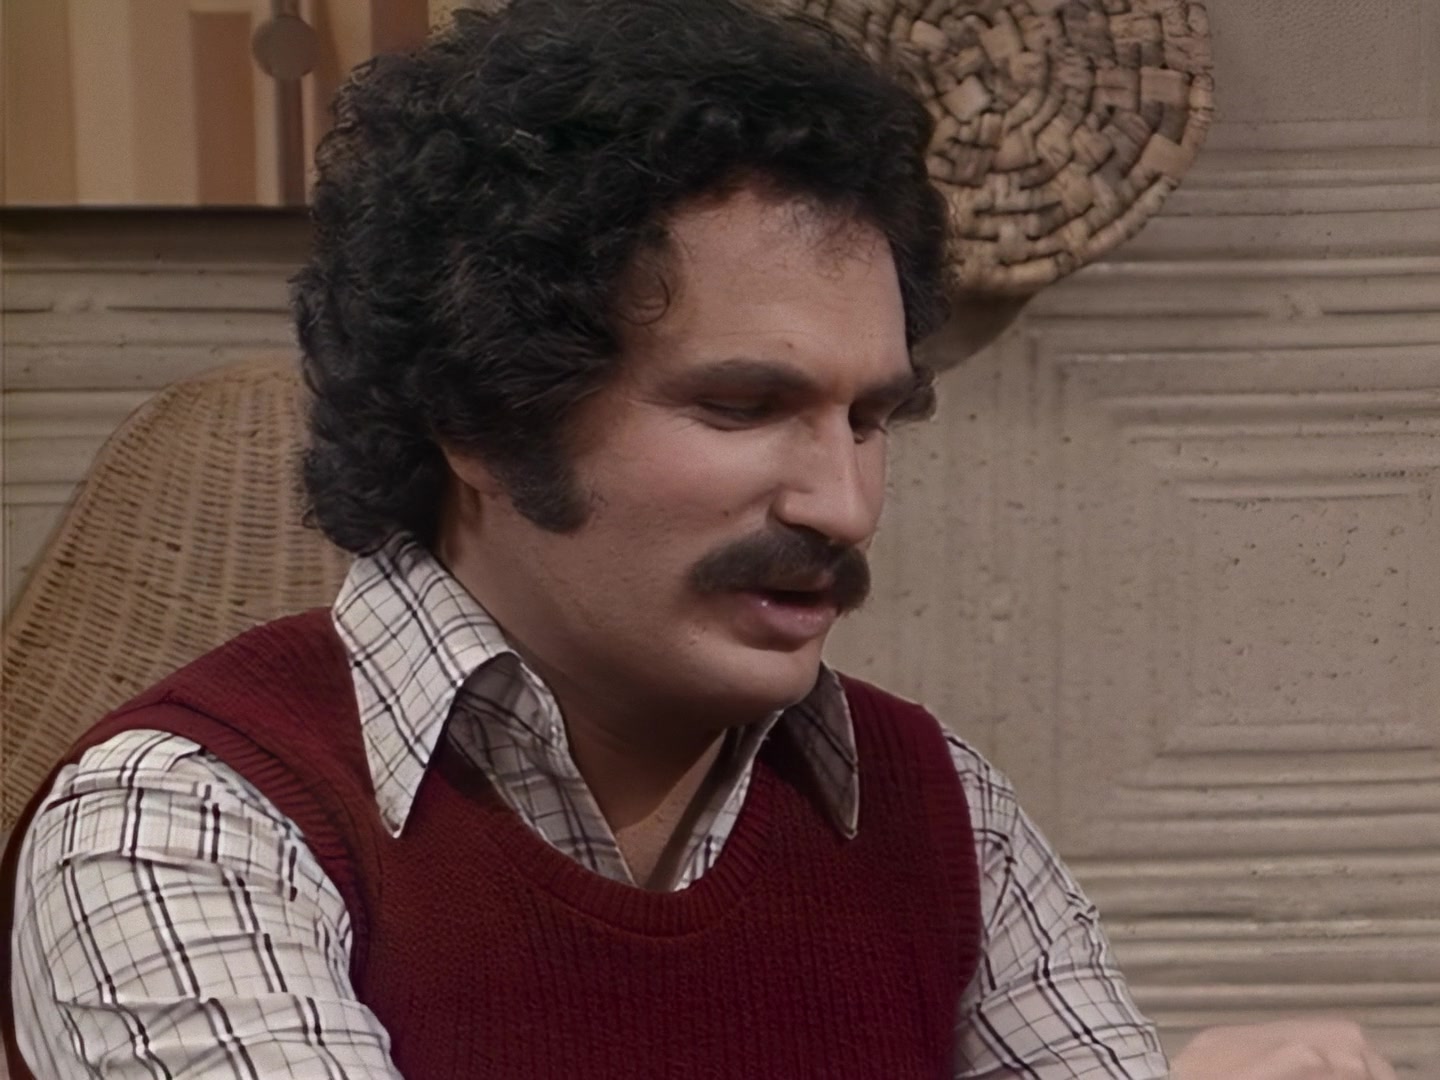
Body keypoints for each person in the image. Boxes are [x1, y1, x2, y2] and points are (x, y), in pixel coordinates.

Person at [1, 1, 1397, 1077]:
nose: (842, 505)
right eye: (743, 406)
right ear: (481, 414)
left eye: (870, 419)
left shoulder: (940, 812)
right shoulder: (183, 823)